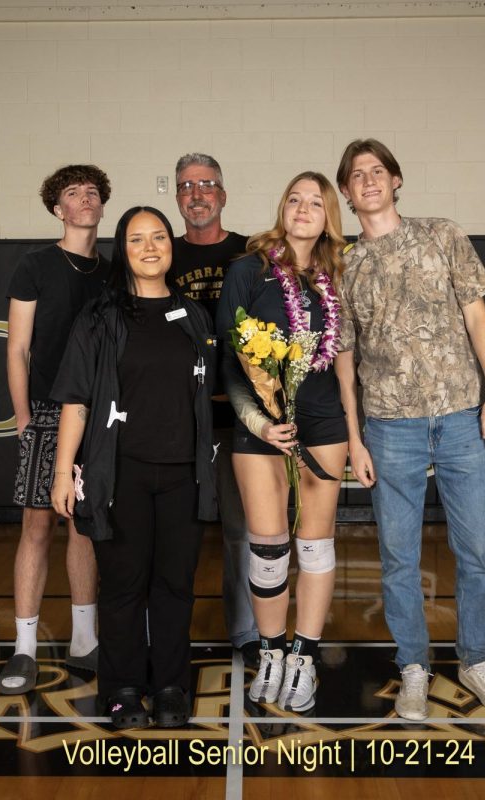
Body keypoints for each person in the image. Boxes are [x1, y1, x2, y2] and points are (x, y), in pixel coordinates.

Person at [335, 138, 485, 721]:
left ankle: (476, 661)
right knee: (397, 555)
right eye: (357, 175)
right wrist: (355, 435)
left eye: (377, 171)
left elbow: (477, 315)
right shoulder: (343, 263)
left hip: (463, 415)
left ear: (396, 180)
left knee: (477, 552)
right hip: (390, 427)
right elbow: (343, 354)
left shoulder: (443, 234)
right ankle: (413, 665)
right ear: (346, 191)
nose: (368, 180)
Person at [49, 206, 218, 730]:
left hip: (183, 476)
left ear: (171, 246)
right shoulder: (100, 317)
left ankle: (170, 686)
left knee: (174, 585)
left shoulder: (194, 315)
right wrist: (61, 473)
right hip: (118, 473)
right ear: (122, 250)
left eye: (159, 237)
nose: (150, 247)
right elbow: (75, 401)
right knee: (122, 586)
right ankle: (121, 690)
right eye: (137, 239)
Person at [215, 172, 356, 712]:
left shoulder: (337, 276)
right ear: (282, 207)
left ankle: (304, 658)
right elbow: (230, 360)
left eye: (314, 202)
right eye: (294, 199)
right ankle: (271, 652)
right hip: (260, 427)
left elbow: (345, 367)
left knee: (316, 546)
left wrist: (356, 436)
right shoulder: (249, 271)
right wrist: (258, 422)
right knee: (269, 547)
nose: (302, 208)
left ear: (328, 216)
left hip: (323, 425)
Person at [0, 164, 109, 695]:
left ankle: (85, 640)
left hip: (97, 415)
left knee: (84, 525)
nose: (84, 200)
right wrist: (23, 416)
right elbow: (17, 347)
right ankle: (24, 650)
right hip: (46, 410)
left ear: (101, 205)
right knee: (37, 527)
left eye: (92, 193)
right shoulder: (36, 264)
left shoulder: (113, 271)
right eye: (73, 193)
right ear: (57, 208)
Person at [168, 153, 259, 667]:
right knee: (173, 529)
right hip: (177, 420)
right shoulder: (160, 251)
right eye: (186, 186)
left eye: (207, 185)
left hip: (237, 418)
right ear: (177, 196)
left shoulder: (251, 254)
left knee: (241, 530)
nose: (197, 193)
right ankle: (165, 630)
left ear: (223, 195)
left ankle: (245, 631)